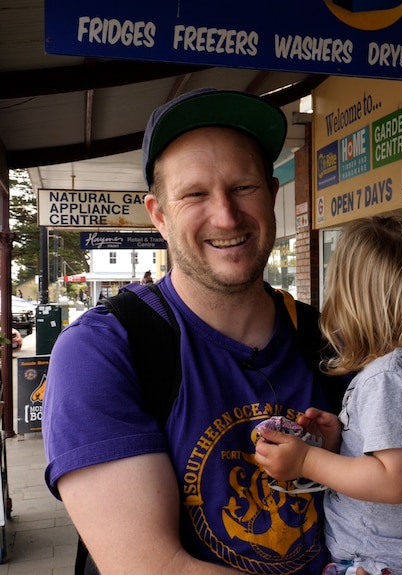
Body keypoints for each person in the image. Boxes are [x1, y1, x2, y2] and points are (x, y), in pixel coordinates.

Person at [43, 88, 351, 574]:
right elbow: (152, 567)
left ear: (273, 196)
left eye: (243, 187)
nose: (226, 216)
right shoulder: (102, 351)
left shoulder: (334, 340)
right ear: (159, 215)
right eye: (195, 194)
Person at [255, 216, 402, 575]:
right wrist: (342, 439)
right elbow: (392, 454)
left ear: (355, 300)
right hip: (400, 555)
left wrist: (307, 462)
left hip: (378, 562)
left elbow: (393, 481)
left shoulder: (388, 378)